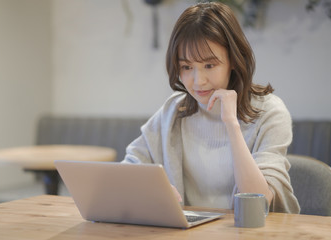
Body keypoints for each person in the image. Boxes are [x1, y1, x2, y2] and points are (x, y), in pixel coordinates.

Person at [122, 2, 300, 213]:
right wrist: (153, 189)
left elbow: (259, 202)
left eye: (209, 65)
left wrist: (232, 125)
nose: (198, 81)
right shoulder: (174, 111)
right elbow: (129, 167)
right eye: (187, 67)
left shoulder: (270, 113)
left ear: (233, 60)